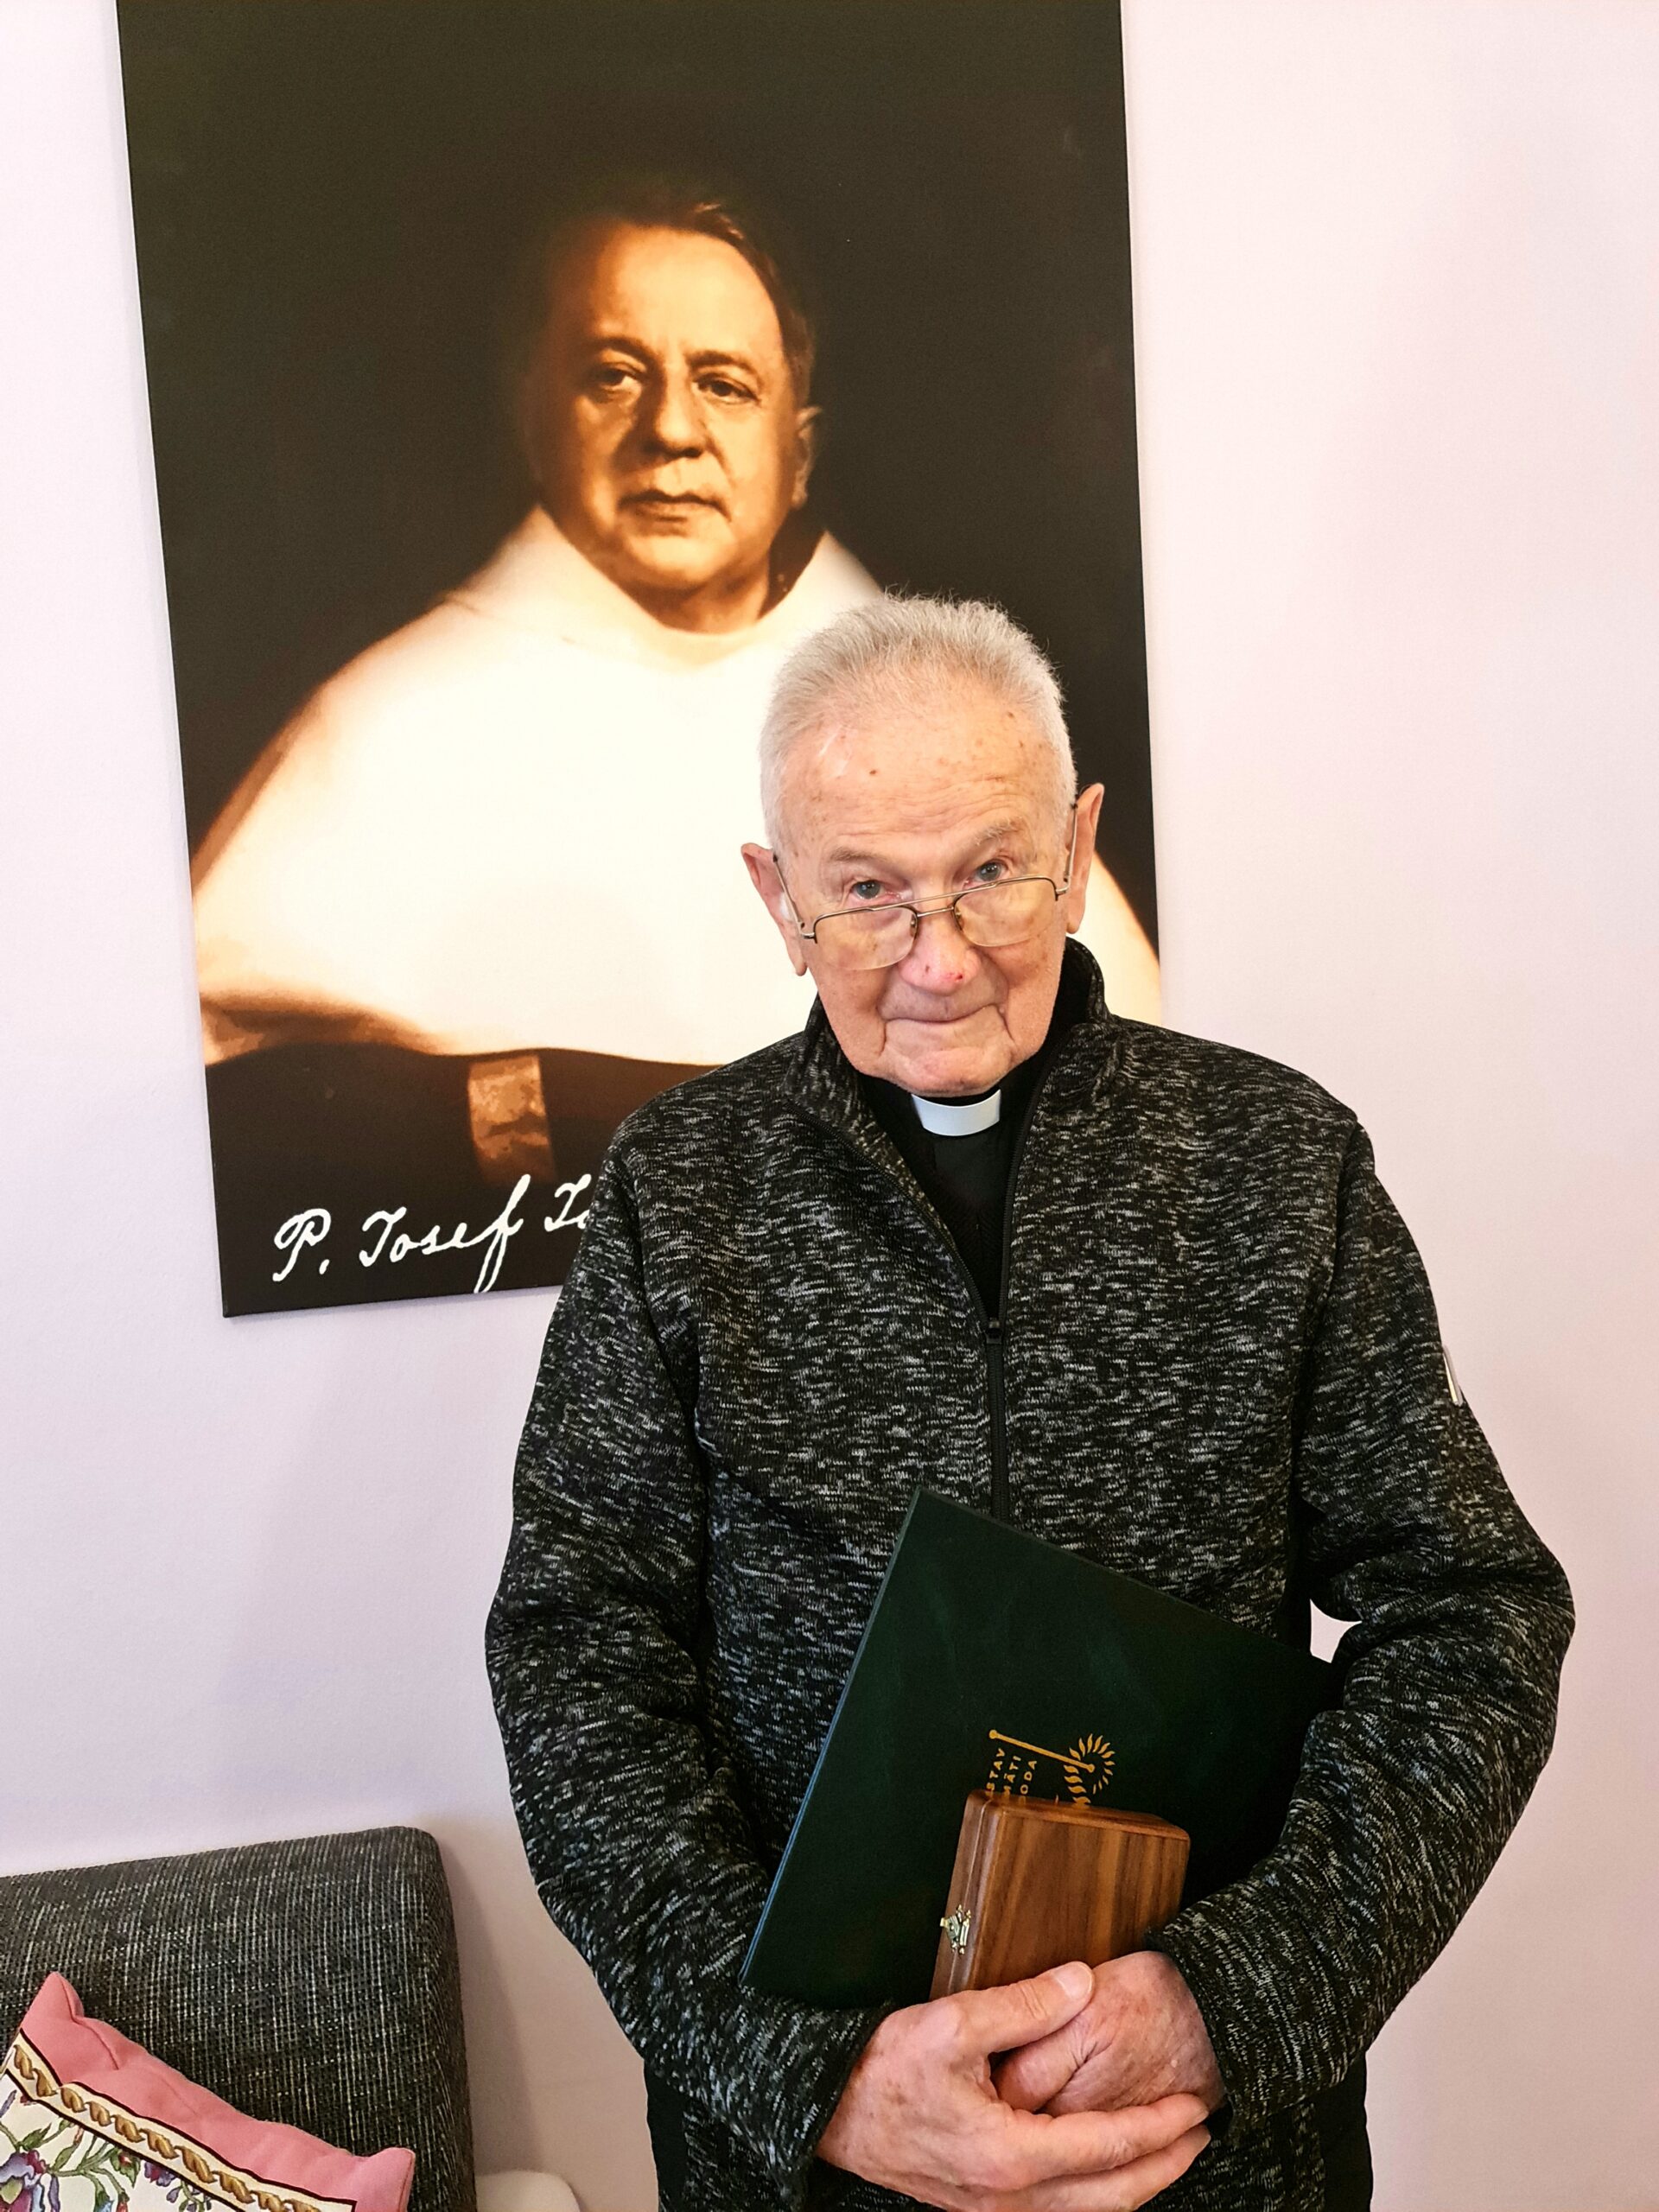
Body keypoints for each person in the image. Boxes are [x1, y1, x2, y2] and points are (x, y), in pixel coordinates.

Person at [485, 595, 1572, 2211]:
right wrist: (814, 2074)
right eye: (867, 891)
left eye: (993, 870)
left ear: (1078, 845)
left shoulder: (1279, 1161)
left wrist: (1231, 1998)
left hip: (1212, 2154)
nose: (940, 959)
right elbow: (578, 1661)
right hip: (808, 2164)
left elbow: (1475, 1618)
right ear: (778, 898)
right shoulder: (676, 1192)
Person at [188, 176, 1163, 1310]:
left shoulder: (954, 716)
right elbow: (254, 1117)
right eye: (614, 375)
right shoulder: (385, 727)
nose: (672, 431)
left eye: (723, 384)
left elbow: (1115, 1087)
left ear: (798, 452)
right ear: (533, 416)